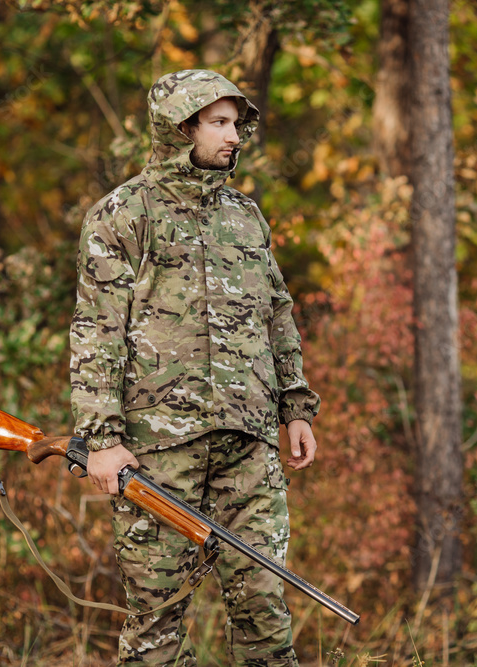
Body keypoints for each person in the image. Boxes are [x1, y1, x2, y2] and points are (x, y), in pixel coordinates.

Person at [69, 69, 320, 666]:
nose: (235, 136)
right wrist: (101, 440)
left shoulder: (246, 216)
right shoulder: (122, 215)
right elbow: (96, 332)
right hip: (158, 451)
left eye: (237, 123)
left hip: (249, 443)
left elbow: (277, 311)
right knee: (156, 618)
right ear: (180, 128)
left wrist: (296, 407)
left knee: (264, 611)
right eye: (220, 123)